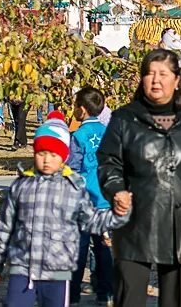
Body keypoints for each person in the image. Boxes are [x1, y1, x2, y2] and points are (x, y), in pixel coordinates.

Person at [98, 49, 181, 307]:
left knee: (176, 300)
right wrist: (116, 190)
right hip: (136, 218)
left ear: (177, 79)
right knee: (130, 297)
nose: (155, 80)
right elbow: (108, 161)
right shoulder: (125, 118)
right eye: (149, 74)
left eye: (163, 74)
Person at [0, 112, 131, 307]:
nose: (47, 160)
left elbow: (92, 220)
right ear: (34, 154)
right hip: (23, 268)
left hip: (58, 271)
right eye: (42, 153)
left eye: (53, 154)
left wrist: (120, 214)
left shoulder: (73, 188)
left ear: (64, 157)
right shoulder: (21, 186)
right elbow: (5, 226)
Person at [69, 87, 115, 305]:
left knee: (79, 248)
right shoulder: (108, 131)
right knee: (104, 249)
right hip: (105, 198)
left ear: (81, 109)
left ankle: (74, 293)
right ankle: (105, 292)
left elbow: (73, 170)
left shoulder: (78, 136)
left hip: (85, 200)